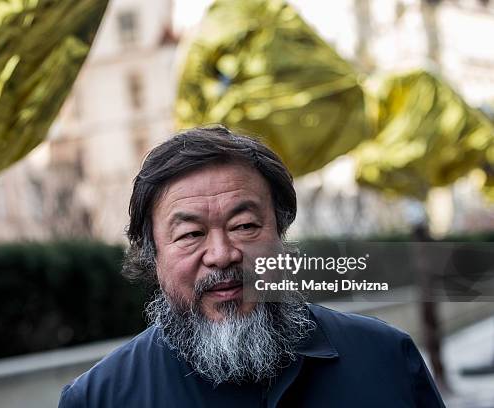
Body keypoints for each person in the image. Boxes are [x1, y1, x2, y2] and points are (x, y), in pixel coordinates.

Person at [58, 126, 445, 407]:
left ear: (281, 234)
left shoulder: (384, 358)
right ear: (152, 255)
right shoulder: (100, 398)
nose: (222, 254)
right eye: (190, 233)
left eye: (244, 226)